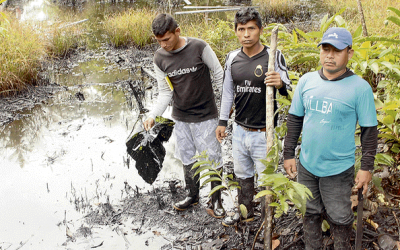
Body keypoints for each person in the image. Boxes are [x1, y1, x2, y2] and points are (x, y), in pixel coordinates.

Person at [283, 27, 378, 249]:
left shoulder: (360, 88)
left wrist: (366, 168)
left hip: (338, 168)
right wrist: (288, 154)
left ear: (350, 54)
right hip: (307, 164)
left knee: (340, 216)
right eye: (326, 49)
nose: (329, 55)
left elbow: (369, 132)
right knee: (310, 211)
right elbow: (295, 119)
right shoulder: (307, 82)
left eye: (336, 51)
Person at [143, 13, 225, 218]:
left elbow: (218, 73)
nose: (164, 45)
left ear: (177, 31)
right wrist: (153, 115)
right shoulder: (159, 58)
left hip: (206, 115)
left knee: (213, 159)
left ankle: (217, 201)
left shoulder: (199, 47)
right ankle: (192, 195)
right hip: (180, 117)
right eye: (159, 41)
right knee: (187, 158)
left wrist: (225, 107)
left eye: (167, 39)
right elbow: (165, 91)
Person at [216, 7, 291, 226]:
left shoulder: (273, 56)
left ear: (260, 30)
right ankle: (245, 213)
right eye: (241, 29)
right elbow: (228, 92)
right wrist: (222, 122)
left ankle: (269, 219)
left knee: (267, 179)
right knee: (242, 174)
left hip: (264, 132)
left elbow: (289, 88)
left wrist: (280, 84)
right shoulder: (232, 58)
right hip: (239, 130)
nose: (246, 34)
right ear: (236, 31)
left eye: (251, 29)